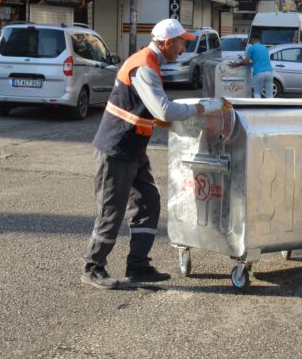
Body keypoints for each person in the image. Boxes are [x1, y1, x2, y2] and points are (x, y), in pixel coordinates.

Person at [82, 19, 225, 290]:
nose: (183, 49)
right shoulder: (144, 66)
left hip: (133, 148)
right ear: (167, 42)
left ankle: (138, 266)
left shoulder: (151, 64)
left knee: (148, 202)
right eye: (181, 43)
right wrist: (203, 108)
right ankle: (93, 266)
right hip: (116, 148)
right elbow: (164, 110)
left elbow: (147, 111)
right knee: (112, 210)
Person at [229, 33, 273, 98]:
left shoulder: (252, 48)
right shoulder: (265, 48)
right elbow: (260, 61)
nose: (250, 41)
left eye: (250, 40)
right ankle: (271, 104)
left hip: (259, 73)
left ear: (253, 39)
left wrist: (236, 65)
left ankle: (257, 104)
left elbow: (246, 61)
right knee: (269, 94)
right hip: (269, 72)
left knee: (257, 93)